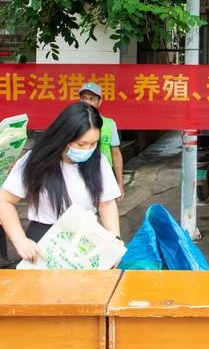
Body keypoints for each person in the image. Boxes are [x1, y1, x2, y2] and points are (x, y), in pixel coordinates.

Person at [0, 102, 122, 263]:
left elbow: (106, 203)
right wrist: (20, 240)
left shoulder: (98, 161)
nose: (87, 150)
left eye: (93, 144)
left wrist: (113, 240)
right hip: (43, 239)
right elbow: (5, 201)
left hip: (86, 239)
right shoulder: (35, 160)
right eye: (80, 144)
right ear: (63, 137)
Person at [78, 82, 126, 201]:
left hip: (103, 177)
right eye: (83, 98)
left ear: (99, 102)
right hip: (78, 175)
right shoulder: (72, 123)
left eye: (91, 99)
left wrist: (119, 183)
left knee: (105, 211)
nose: (87, 102)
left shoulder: (109, 124)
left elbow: (116, 153)